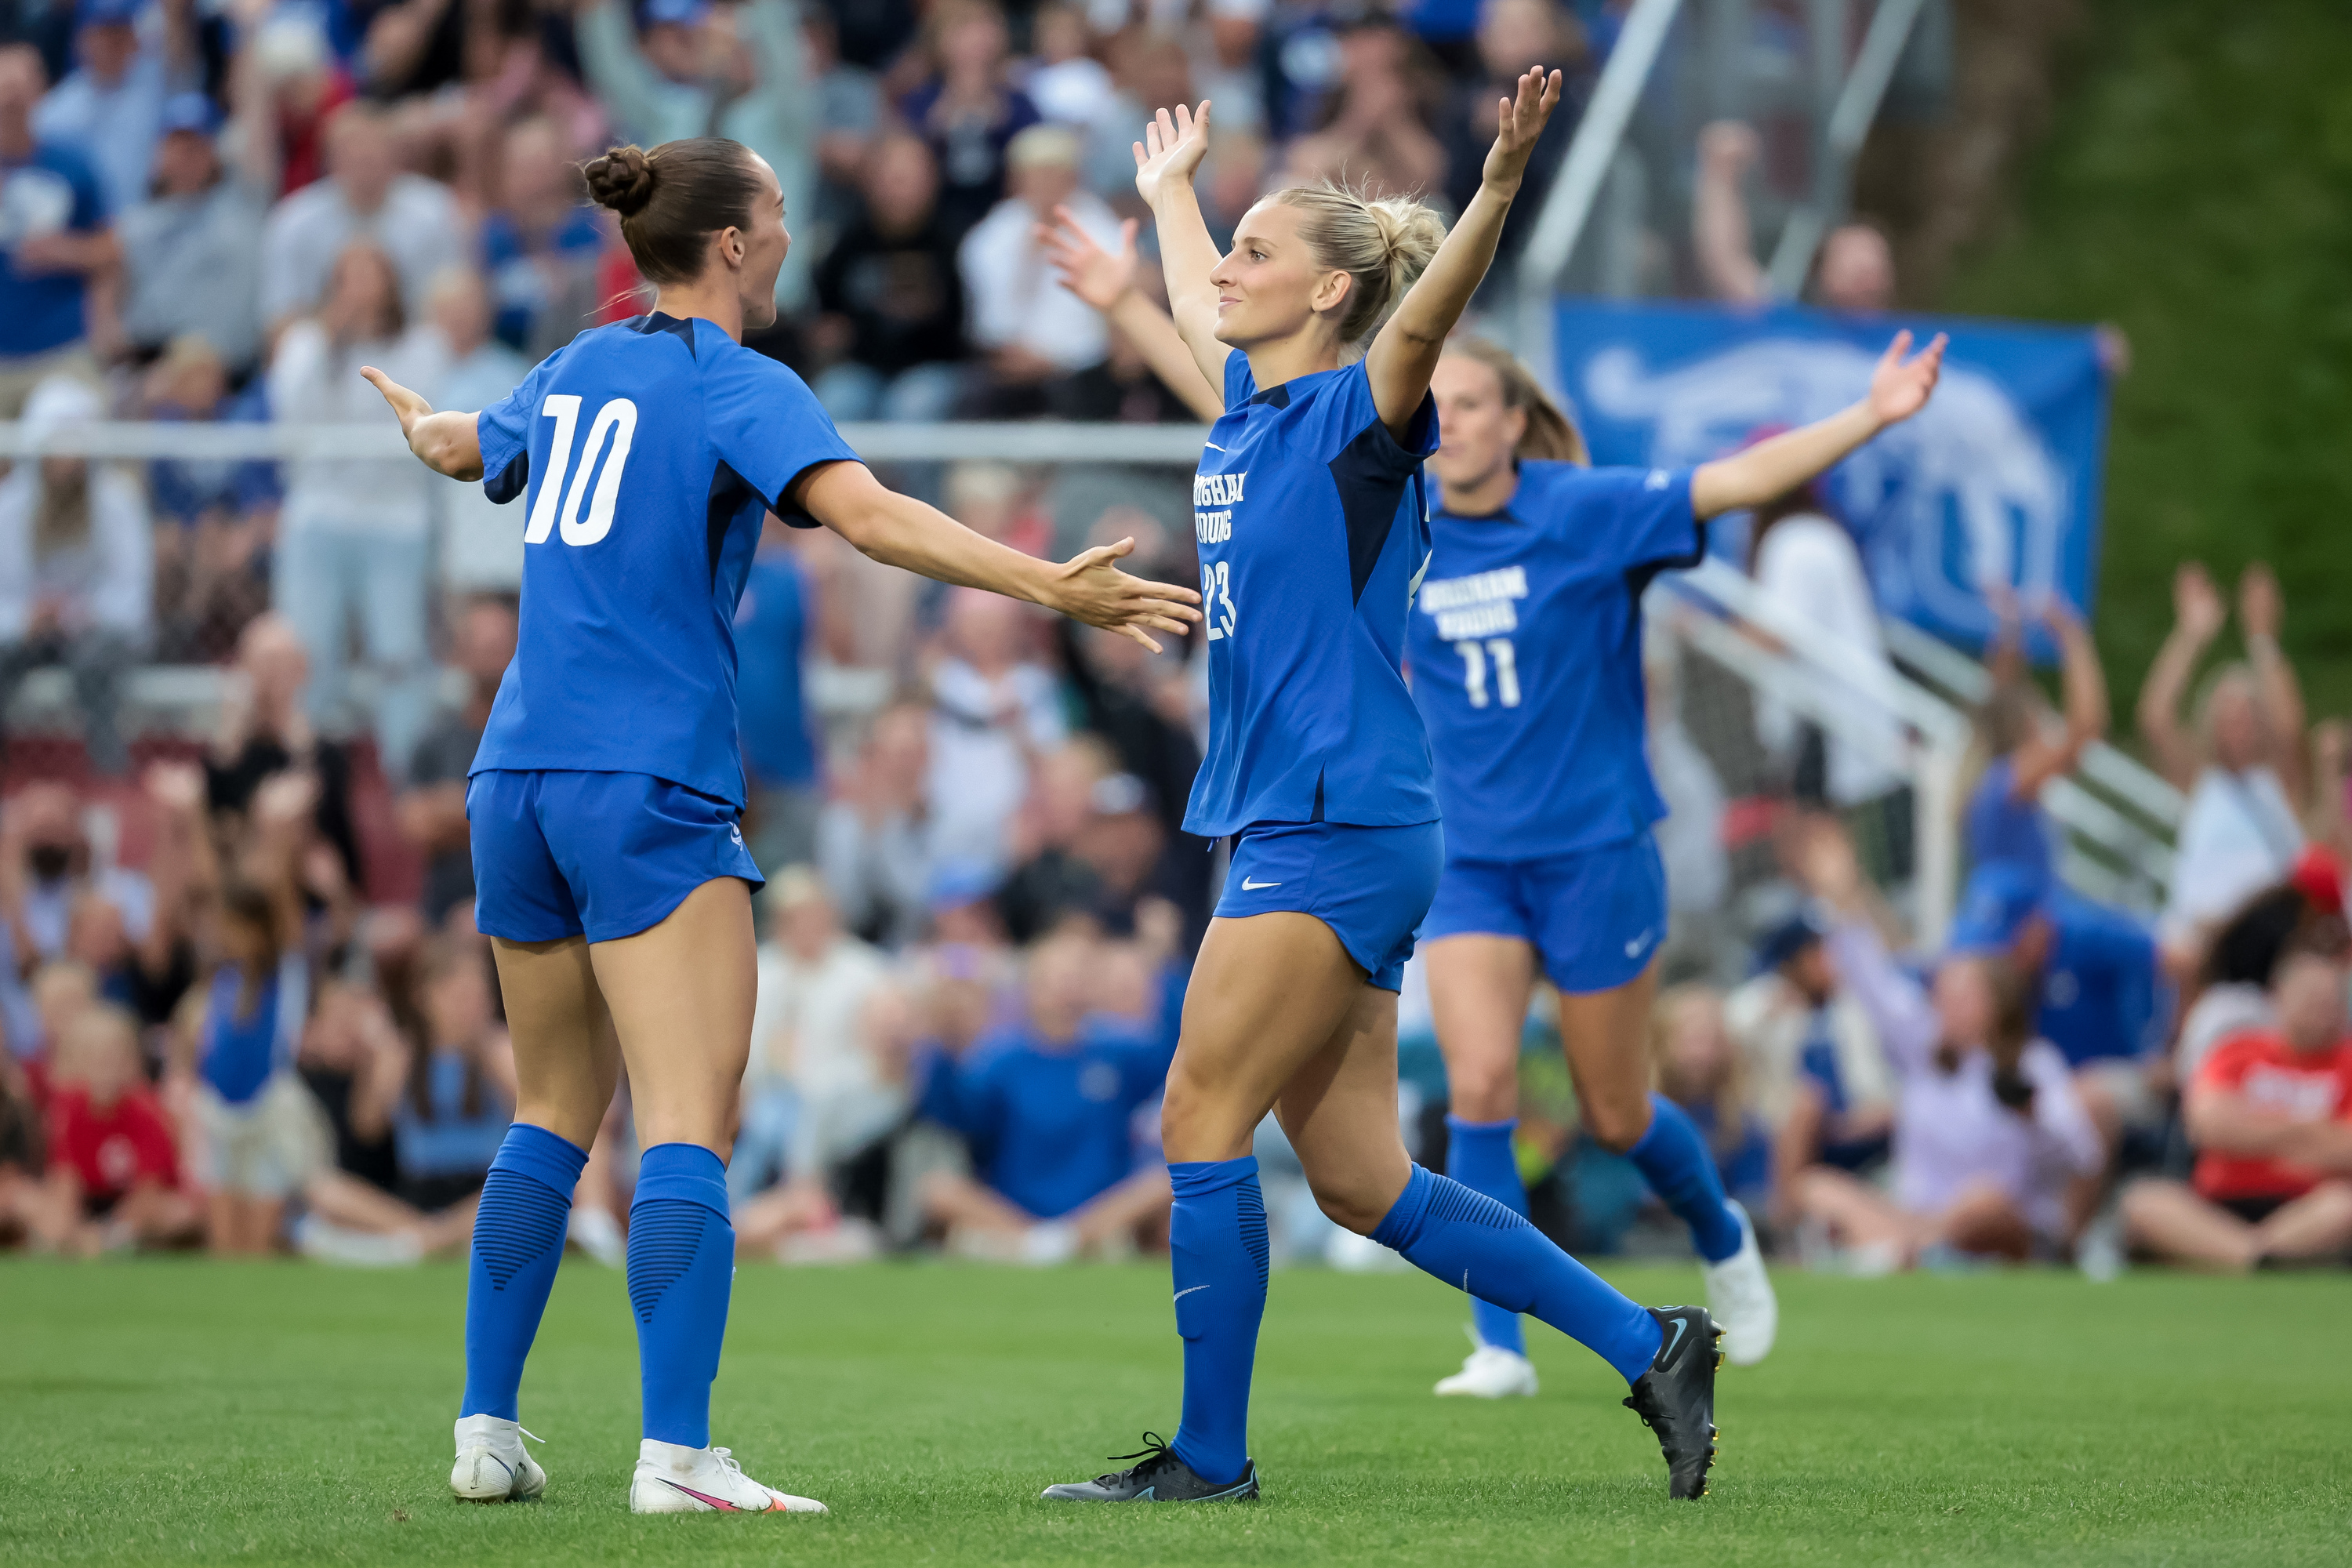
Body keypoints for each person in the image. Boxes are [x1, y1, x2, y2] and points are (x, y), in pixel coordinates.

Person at [359, 133, 1197, 1515]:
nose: (796, 232)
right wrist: (1051, 587)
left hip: (513, 780)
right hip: (650, 781)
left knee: (550, 1115)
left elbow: (466, 447)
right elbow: (868, 519)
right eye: (782, 213)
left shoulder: (574, 366)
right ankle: (677, 1457)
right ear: (734, 246)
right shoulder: (735, 383)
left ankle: (485, 1432)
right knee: (685, 1122)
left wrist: (424, 427)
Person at [1040, 75, 1720, 1509]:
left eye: (1256, 256)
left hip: (1335, 822)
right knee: (1359, 1182)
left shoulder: (1363, 418)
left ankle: (1211, 1461)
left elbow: (1430, 313)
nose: (1226, 271)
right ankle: (1650, 1339)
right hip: (1320, 821)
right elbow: (1183, 303)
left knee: (1197, 1119)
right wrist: (1171, 202)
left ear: (1335, 295)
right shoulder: (1249, 412)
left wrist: (1499, 186)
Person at [1401, 328, 1942, 1388]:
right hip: (1470, 861)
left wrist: (1869, 415)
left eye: (1472, 404)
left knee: (1614, 1110)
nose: (1450, 423)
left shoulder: (1586, 511)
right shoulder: (1400, 534)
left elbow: (1736, 479)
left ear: (1515, 422)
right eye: (1437, 405)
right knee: (1480, 1086)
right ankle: (1498, 1348)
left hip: (1596, 853)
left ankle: (1720, 1230)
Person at [1790, 822, 2104, 1269]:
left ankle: (1896, 1252)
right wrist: (1842, 896)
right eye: (1945, 992)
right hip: (1914, 1214)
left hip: (1991, 1226)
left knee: (1985, 1203)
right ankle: (1905, 1248)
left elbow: (2082, 1155)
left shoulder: (2031, 1064)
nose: (1948, 1005)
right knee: (1817, 1187)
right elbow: (1874, 983)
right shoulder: (1924, 1048)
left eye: (1964, 995)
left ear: (1996, 1001)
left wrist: (2034, 1118)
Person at [268, 241, 446, 780]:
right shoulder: (305, 344)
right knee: (308, 652)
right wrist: (331, 338)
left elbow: (426, 418)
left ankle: (406, 772)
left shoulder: (422, 345)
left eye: (374, 274)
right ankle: (306, 772)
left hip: (396, 519)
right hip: (318, 517)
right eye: (350, 276)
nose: (362, 288)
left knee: (399, 653)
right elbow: (289, 413)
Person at [915, 928, 1175, 1261]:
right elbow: (958, 1117)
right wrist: (945, 1047)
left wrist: (1157, 969)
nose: (1067, 988)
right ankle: (1040, 1243)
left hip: (1099, 1210)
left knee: (1165, 1181)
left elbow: (1179, 1052)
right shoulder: (1000, 1059)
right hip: (1015, 1210)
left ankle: (1063, 1242)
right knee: (937, 1189)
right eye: (1057, 979)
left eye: (1076, 978)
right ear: (1031, 988)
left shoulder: (1117, 1050)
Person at [2119, 938, 2352, 1271]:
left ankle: (2237, 1257)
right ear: (2278, 995)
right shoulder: (2237, 1050)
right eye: (2312, 999)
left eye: (2330, 1001)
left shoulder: (2347, 1061)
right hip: (2218, 1206)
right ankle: (2260, 1258)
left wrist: (2251, 1131)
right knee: (2144, 1201)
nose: (2322, 1011)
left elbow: (2346, 1148)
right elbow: (2207, 1125)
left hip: (2311, 1204)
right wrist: (2309, 1132)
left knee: (2344, 1206)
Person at [2140, 562, 2308, 956]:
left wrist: (2263, 639)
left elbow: (2291, 729)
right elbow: (2156, 718)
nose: (2239, 725)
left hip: (2270, 950)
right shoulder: (2201, 779)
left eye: (2249, 713)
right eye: (2228, 715)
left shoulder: (2278, 782)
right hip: (2202, 949)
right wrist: (2192, 634)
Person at [0, 374, 152, 777]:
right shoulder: (10, 507)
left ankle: (108, 772)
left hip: (94, 632)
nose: (65, 458)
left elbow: (133, 600)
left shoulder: (117, 502)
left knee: (95, 661)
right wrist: (26, 619)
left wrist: (77, 612)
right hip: (27, 634)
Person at [1965, 591, 2109, 887]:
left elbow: (2000, 687)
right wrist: (2073, 636)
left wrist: (2010, 626)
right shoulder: (2007, 780)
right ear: (2023, 727)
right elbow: (2085, 726)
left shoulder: (1995, 784)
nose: (2048, 728)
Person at [0, 42, 113, 413]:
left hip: (60, 347)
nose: (11, 101)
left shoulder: (71, 165)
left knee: (84, 441)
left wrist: (67, 251)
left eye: (19, 89)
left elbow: (111, 250)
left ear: (40, 92)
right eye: (4, 89)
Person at [399, 596, 517, 928]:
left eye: (501, 642)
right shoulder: (435, 739)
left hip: (523, 903)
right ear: (459, 654)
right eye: (481, 644)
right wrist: (501, 808)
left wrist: (452, 807)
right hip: (446, 911)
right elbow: (415, 823)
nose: (492, 653)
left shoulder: (541, 738)